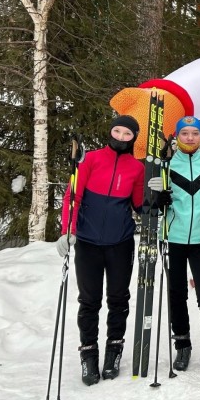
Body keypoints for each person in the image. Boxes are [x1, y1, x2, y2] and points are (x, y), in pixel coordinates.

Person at [58, 115, 144, 385]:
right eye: (117, 130)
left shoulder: (137, 168)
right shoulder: (91, 159)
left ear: (134, 138)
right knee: (89, 300)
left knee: (118, 299)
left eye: (127, 134)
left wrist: (158, 196)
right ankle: (89, 354)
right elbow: (73, 196)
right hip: (88, 242)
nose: (120, 136)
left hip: (120, 243)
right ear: (110, 131)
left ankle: (114, 351)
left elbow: (141, 206)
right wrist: (67, 230)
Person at [147, 116, 200, 374]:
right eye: (185, 134)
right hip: (172, 238)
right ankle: (182, 344)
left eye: (195, 133)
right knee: (177, 294)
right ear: (177, 137)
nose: (190, 138)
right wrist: (158, 198)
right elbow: (150, 206)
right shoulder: (166, 166)